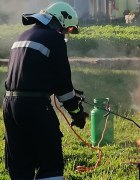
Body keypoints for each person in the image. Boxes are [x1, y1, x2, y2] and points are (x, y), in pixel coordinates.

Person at [2, 2, 88, 179]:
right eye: (68, 28)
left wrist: (56, 87)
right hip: (35, 107)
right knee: (51, 163)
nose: (66, 33)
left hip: (10, 106)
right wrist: (76, 112)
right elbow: (64, 85)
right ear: (61, 20)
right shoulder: (54, 39)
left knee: (20, 165)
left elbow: (30, 74)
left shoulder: (23, 35)